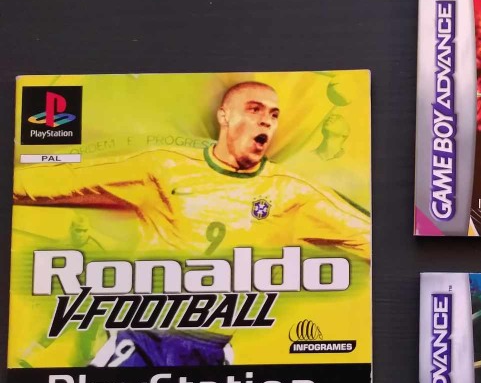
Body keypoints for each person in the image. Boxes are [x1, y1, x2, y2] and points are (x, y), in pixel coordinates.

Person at [13, 81, 370, 260]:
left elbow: (369, 239)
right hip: (145, 334)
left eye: (274, 115)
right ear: (224, 116)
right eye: (255, 109)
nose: (266, 120)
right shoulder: (163, 166)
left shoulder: (291, 192)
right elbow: (63, 181)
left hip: (212, 345)